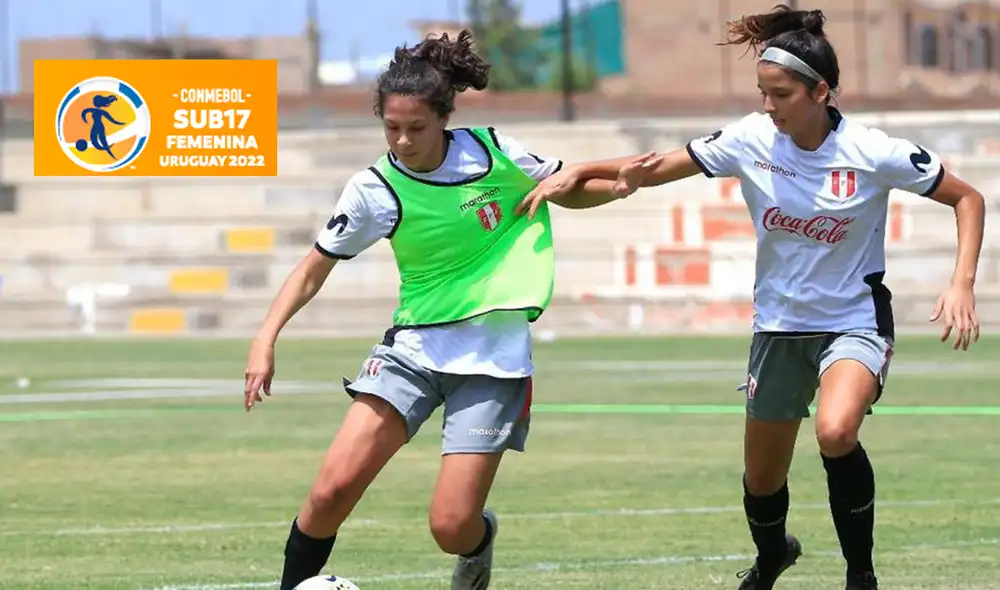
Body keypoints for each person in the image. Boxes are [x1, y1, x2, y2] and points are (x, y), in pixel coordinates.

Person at [517, 5, 984, 590]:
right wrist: (583, 169)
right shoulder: (751, 138)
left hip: (852, 322)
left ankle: (860, 574)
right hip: (778, 328)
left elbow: (968, 199)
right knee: (762, 479)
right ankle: (772, 556)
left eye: (780, 94)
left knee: (837, 432)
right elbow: (657, 165)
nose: (768, 106)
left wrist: (961, 281)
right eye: (762, 93)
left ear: (820, 92)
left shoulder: (874, 151)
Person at [242, 30, 656, 590]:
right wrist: (266, 338)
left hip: (494, 361)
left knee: (452, 525)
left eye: (416, 128)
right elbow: (314, 265)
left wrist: (617, 187)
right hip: (412, 351)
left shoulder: (493, 151)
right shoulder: (374, 188)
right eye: (392, 128)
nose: (404, 141)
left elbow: (567, 186)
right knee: (329, 492)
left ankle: (479, 543)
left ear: (443, 117)